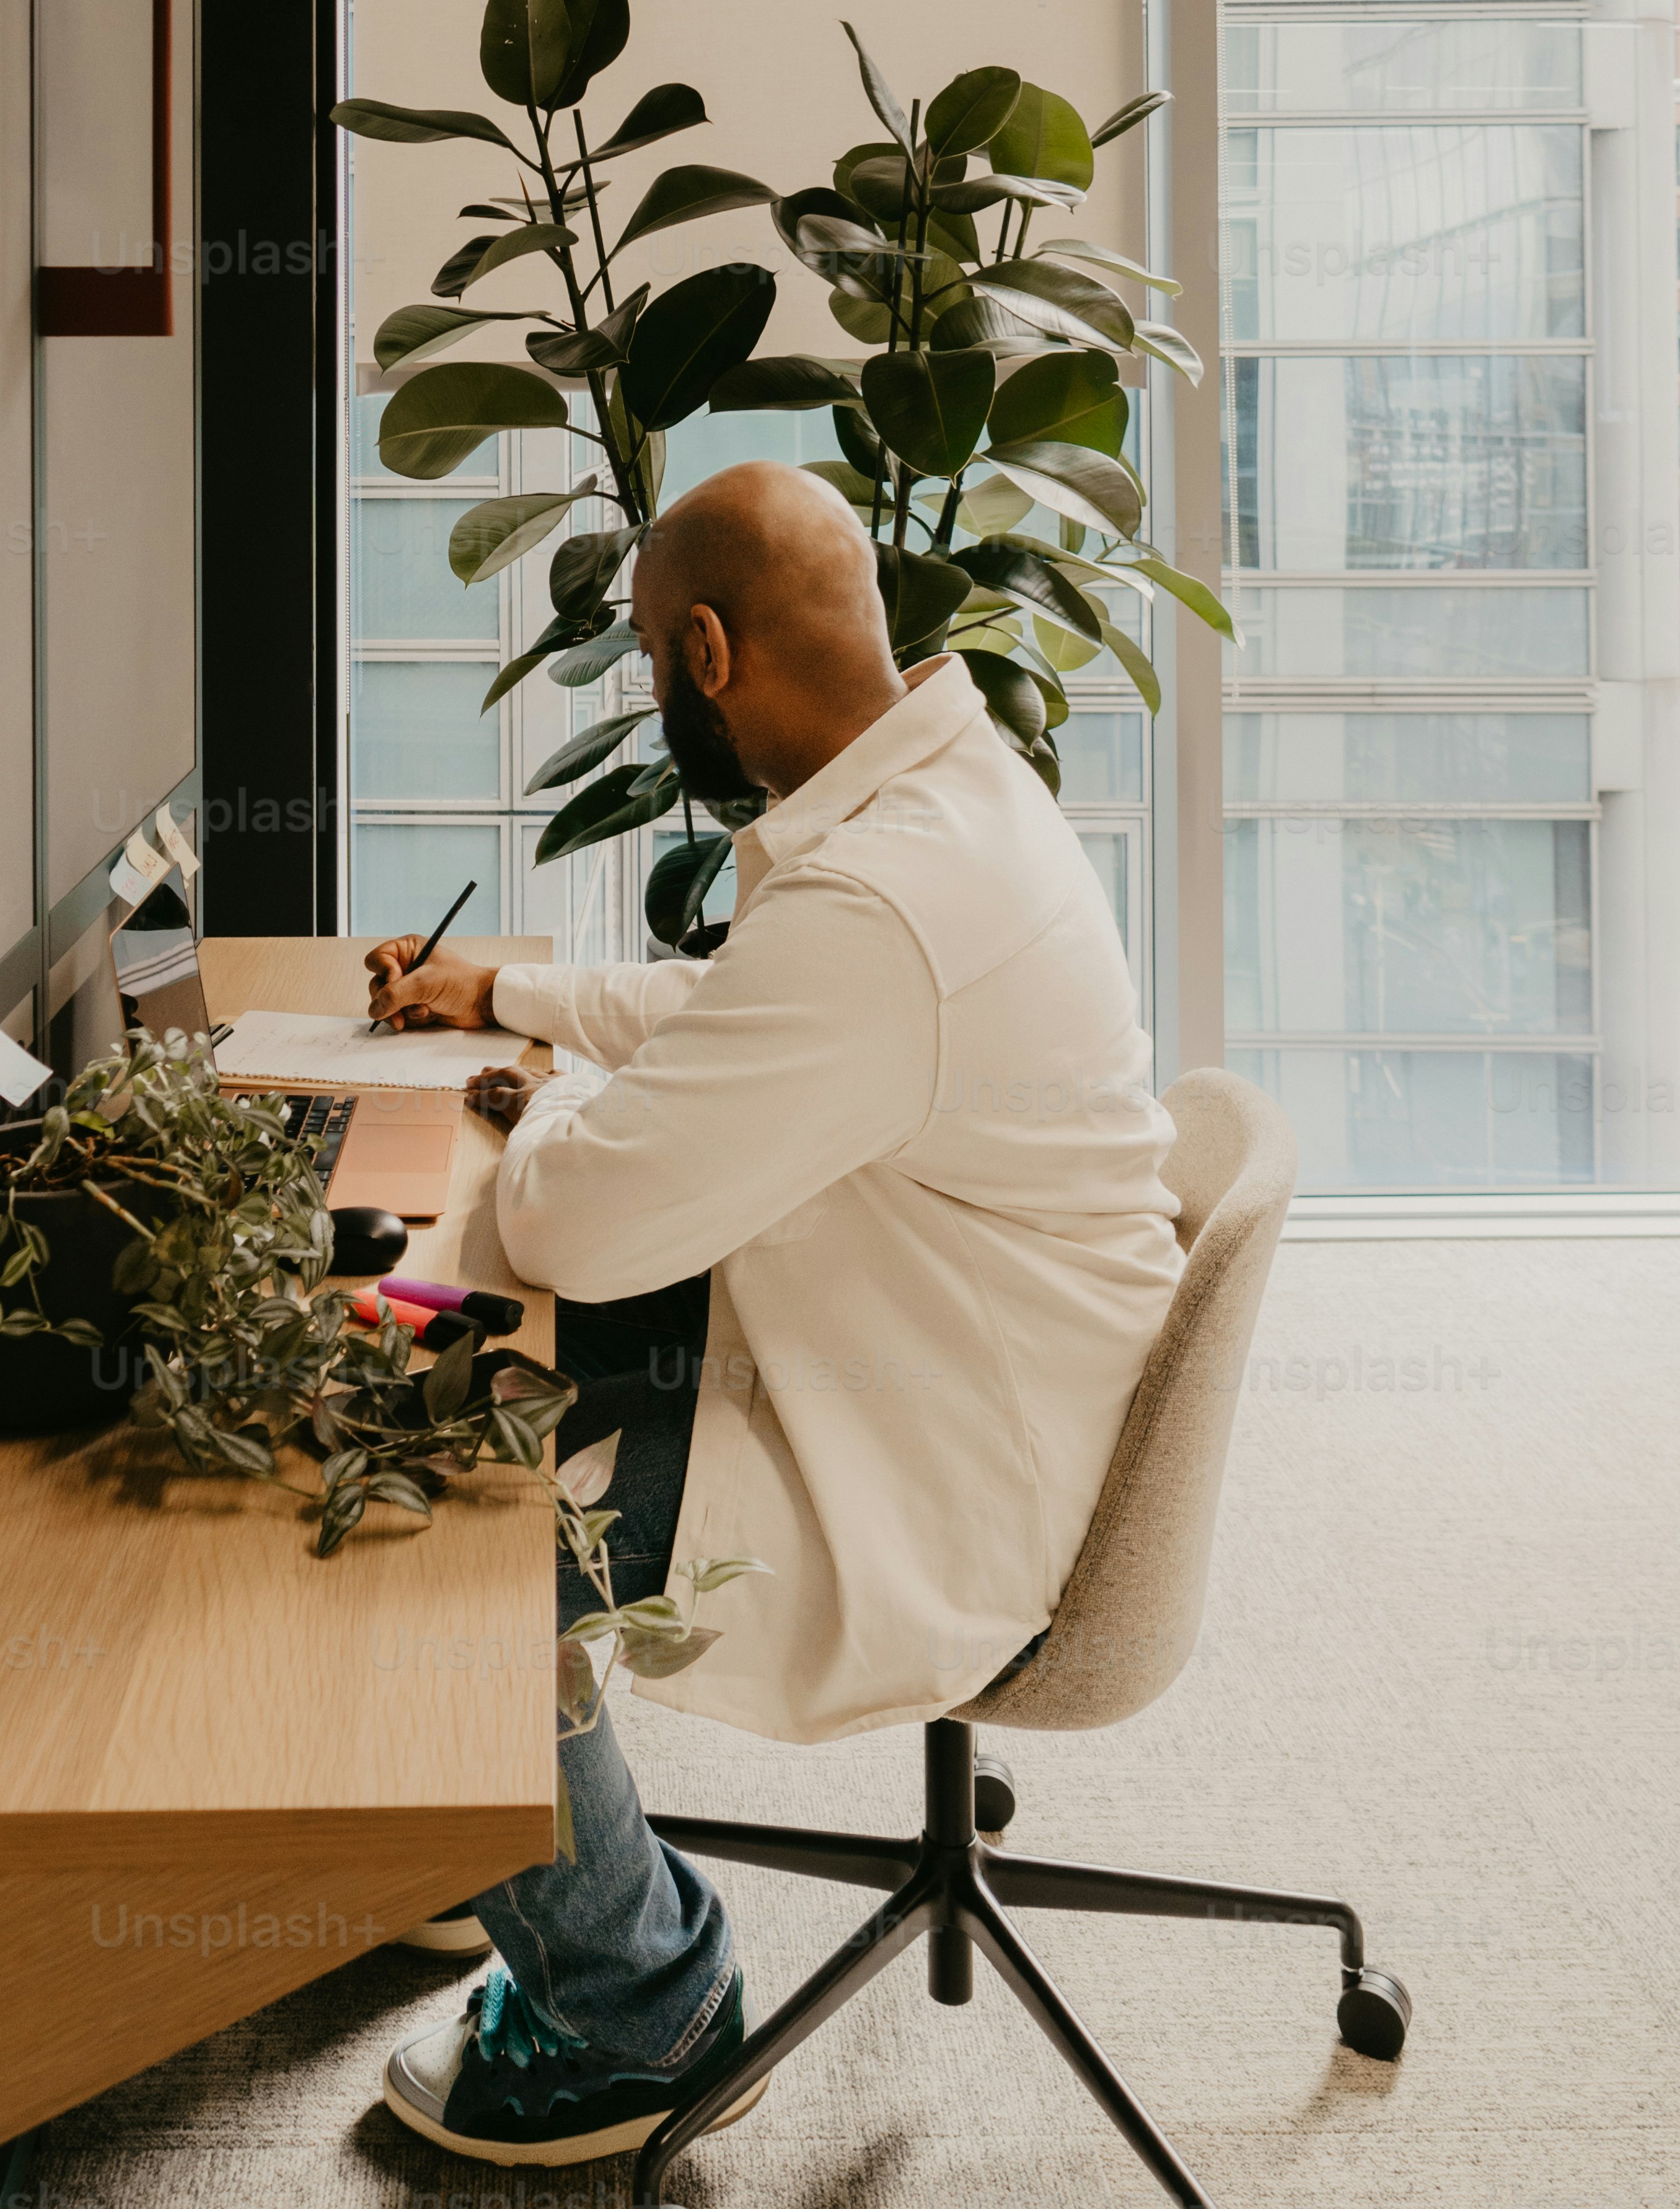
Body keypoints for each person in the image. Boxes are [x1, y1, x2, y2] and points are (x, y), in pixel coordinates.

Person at [363, 459, 1183, 2171]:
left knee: (435, 1526)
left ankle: (634, 2006)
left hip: (942, 1474)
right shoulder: (942, 802)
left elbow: (572, 1226)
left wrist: (539, 1099)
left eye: (656, 656)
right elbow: (749, 1010)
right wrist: (509, 999)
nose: (657, 688)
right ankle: (500, 1833)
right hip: (942, 1366)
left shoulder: (888, 903)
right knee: (447, 1355)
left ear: (709, 654)